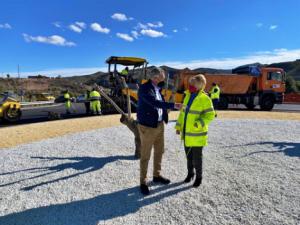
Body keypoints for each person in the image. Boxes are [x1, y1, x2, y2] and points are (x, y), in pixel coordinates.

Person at [137, 67, 182, 195]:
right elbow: (155, 103)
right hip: (148, 127)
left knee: (159, 151)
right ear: (155, 77)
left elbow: (159, 103)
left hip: (159, 125)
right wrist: (173, 105)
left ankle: (156, 176)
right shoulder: (145, 88)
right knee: (145, 155)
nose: (163, 77)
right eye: (162, 76)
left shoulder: (157, 87)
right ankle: (143, 182)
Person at [175, 74, 215, 188]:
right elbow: (183, 114)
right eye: (190, 83)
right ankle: (190, 174)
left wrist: (198, 124)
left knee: (197, 158)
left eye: (193, 84)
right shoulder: (187, 96)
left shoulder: (205, 98)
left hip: (197, 135)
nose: (190, 86)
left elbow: (210, 115)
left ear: (199, 85)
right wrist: (178, 127)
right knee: (189, 157)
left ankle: (199, 177)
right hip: (187, 134)